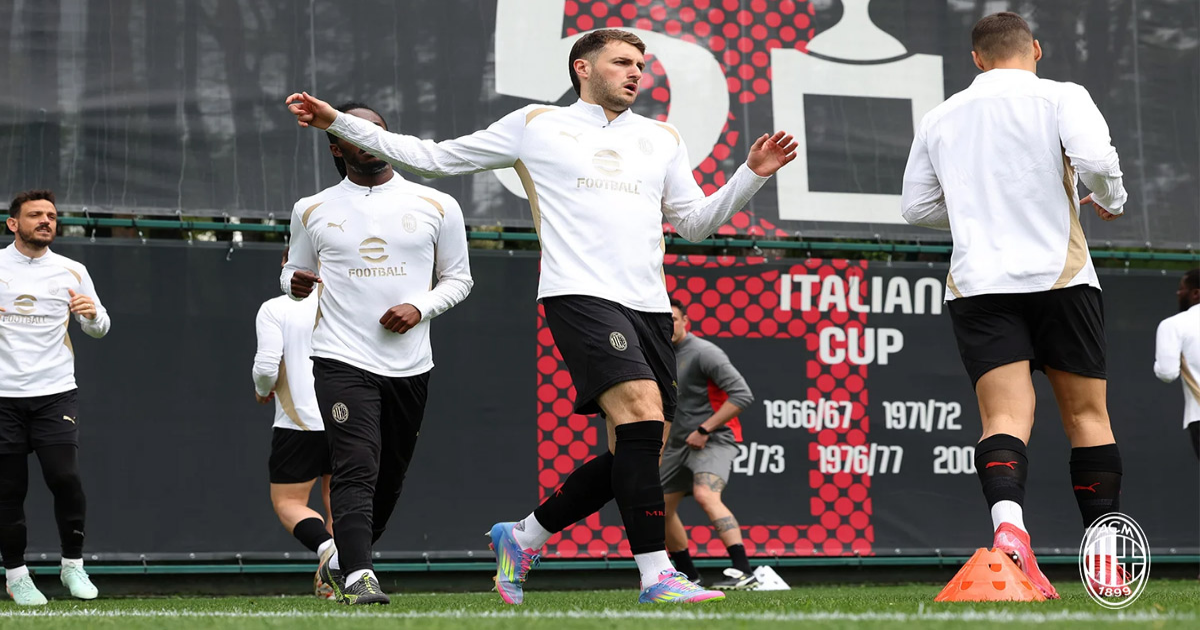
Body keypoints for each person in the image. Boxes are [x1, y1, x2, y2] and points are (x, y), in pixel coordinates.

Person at [286, 28, 796, 605]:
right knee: (641, 415)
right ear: (583, 68)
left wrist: (752, 174)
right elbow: (432, 157)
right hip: (579, 295)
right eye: (622, 62)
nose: (636, 72)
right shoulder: (535, 124)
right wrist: (337, 122)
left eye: (641, 63)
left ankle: (525, 536)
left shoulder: (662, 137)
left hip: (649, 307)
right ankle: (658, 576)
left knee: (637, 447)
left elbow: (695, 223)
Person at [900, 12, 1129, 600]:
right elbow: (1098, 163)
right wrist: (1112, 197)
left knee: (1003, 419)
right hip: (1062, 279)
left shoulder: (941, 115)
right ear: (1037, 50)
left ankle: (1008, 529)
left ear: (977, 59)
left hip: (980, 283)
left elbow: (916, 208)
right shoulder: (1062, 95)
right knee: (1088, 418)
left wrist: (981, 206)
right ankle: (1105, 559)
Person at [282, 102, 474, 605]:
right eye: (354, 132)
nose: (367, 139)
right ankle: (360, 576)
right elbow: (292, 270)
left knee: (389, 478)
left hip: (411, 365)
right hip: (340, 357)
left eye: (376, 131)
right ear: (335, 146)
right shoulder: (312, 208)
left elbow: (459, 279)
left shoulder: (437, 204)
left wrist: (420, 307)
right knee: (356, 465)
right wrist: (294, 283)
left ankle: (341, 561)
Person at [0, 189, 110, 605]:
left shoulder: (72, 270)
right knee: (9, 489)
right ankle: (17, 575)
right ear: (14, 224)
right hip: (3, 397)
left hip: (55, 393)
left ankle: (73, 566)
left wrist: (92, 315)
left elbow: (99, 326)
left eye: (50, 215)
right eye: (35, 215)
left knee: (65, 479)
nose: (46, 221)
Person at [253, 249, 336, 600]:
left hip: (298, 424)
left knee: (288, 502)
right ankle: (337, 575)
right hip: (348, 419)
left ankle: (327, 550)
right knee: (341, 502)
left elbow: (265, 367)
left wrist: (262, 391)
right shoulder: (347, 304)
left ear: (287, 264)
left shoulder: (276, 308)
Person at [661, 300, 757, 590]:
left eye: (673, 319)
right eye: (662, 320)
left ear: (685, 321)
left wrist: (705, 429)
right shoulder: (658, 355)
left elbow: (742, 395)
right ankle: (688, 576)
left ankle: (744, 571)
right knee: (657, 509)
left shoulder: (705, 352)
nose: (668, 325)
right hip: (677, 444)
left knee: (705, 494)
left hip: (714, 439)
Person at [1153, 268, 1200, 458]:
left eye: (1182, 288)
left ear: (1196, 293)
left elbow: (1167, 373)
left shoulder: (1174, 325)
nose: (1178, 293)